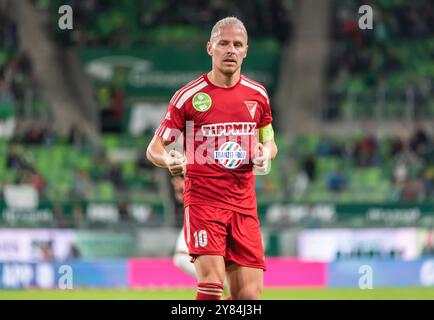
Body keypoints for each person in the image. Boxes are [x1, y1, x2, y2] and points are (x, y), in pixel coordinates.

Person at [146, 16, 278, 300]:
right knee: (211, 285)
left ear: (246, 51)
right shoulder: (188, 97)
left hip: (244, 207)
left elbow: (271, 143)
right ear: (210, 48)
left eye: (238, 45)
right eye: (224, 44)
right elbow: (154, 147)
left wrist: (264, 154)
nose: (231, 50)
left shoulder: (258, 96)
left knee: (249, 298)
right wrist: (167, 160)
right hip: (205, 204)